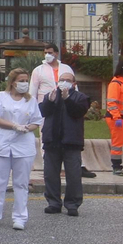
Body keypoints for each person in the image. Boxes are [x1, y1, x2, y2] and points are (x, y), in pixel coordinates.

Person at [0, 69, 43, 230]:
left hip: (23, 145)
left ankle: (19, 217)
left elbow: (36, 121)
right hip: (2, 142)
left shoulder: (30, 100)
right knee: (0, 181)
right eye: (22, 80)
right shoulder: (0, 97)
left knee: (21, 183)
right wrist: (14, 126)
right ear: (12, 82)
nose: (25, 83)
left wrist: (26, 128)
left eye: (26, 80)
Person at [40, 68, 92, 217]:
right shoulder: (50, 96)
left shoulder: (81, 97)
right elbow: (43, 112)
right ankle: (53, 203)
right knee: (50, 174)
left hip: (72, 142)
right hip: (52, 141)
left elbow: (78, 112)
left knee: (74, 175)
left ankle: (72, 204)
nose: (64, 83)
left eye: (68, 80)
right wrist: (50, 101)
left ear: (74, 83)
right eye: (62, 80)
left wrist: (67, 98)